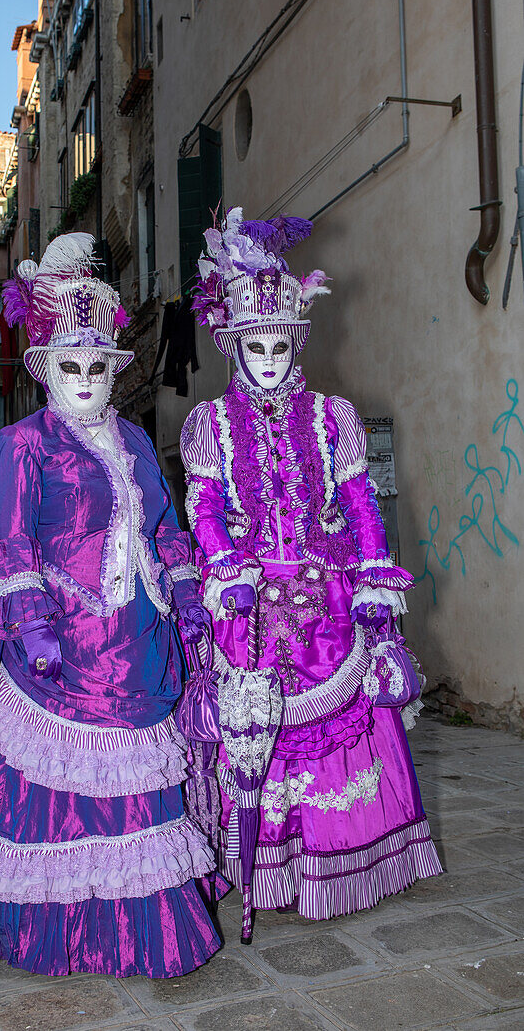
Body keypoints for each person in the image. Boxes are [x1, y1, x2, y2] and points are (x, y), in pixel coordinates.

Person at [0, 233, 221, 978]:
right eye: (70, 367)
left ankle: (139, 930)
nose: (84, 381)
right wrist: (31, 624)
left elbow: (165, 526)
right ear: (47, 372)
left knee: (138, 783)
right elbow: (8, 543)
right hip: (60, 645)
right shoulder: (23, 443)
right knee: (45, 789)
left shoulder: (139, 442)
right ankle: (50, 924)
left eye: (97, 369)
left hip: (138, 640)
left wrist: (184, 591)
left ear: (113, 373)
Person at [180, 208, 442, 930]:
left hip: (326, 603)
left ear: (295, 343)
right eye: (254, 347)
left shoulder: (334, 416)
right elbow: (203, 506)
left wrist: (371, 578)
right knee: (252, 733)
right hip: (250, 608)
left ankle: (338, 862)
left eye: (277, 346)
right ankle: (263, 869)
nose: (267, 359)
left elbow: (361, 506)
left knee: (342, 729)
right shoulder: (211, 423)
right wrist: (225, 564)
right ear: (234, 347)